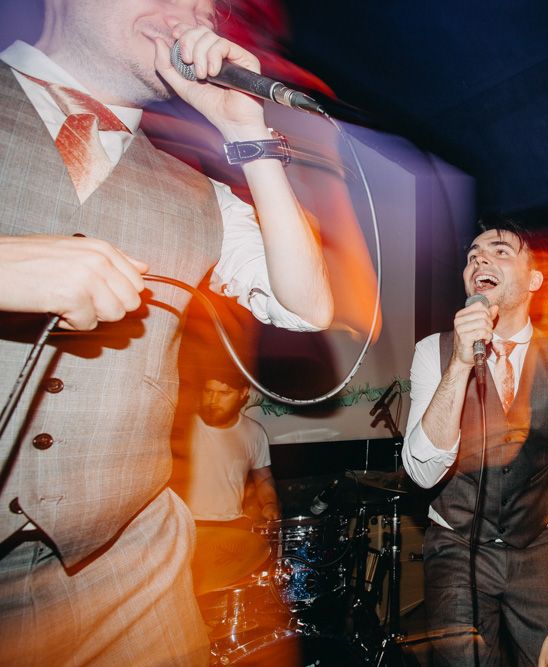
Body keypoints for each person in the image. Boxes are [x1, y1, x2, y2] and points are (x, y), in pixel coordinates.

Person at [0, 0, 333, 664]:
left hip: (125, 565)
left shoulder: (196, 191)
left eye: (205, 4)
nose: (191, 14)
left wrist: (246, 132)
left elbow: (307, 306)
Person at [402, 218, 548, 667]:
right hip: (457, 549)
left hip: (538, 551)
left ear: (534, 279)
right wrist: (458, 365)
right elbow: (421, 471)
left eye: (499, 251)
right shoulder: (433, 351)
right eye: (472, 254)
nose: (479, 259)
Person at [175, 372, 281, 525]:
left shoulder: (254, 432)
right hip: (186, 523)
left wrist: (269, 504)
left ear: (243, 393)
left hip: (233, 522)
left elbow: (263, 478)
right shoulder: (184, 426)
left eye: (224, 393)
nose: (213, 400)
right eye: (208, 391)